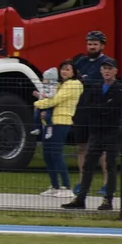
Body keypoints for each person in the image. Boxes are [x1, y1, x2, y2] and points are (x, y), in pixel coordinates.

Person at [63, 58, 122, 211]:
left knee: (110, 165)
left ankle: (108, 200)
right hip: (96, 132)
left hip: (111, 131)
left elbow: (114, 110)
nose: (107, 71)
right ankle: (81, 198)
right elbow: (89, 107)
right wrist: (102, 108)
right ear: (101, 71)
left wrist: (100, 109)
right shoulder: (96, 88)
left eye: (110, 69)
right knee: (88, 165)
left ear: (115, 71)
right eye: (105, 68)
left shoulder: (119, 89)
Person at [33, 59, 82, 198]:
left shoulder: (74, 84)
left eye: (68, 69)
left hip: (61, 122)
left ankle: (66, 187)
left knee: (56, 153)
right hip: (49, 123)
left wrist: (38, 103)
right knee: (47, 154)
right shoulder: (60, 84)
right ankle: (54, 185)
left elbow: (55, 100)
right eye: (63, 69)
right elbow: (50, 97)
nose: (64, 71)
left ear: (73, 72)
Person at [73, 30, 110, 197]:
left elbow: (99, 81)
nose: (92, 47)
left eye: (95, 44)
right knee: (81, 147)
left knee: (101, 148)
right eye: (89, 44)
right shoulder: (81, 61)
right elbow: (74, 78)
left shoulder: (107, 63)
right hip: (81, 108)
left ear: (102, 45)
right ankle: (82, 183)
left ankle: (106, 184)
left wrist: (85, 80)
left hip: (98, 110)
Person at [32, 67, 59, 137]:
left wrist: (45, 95)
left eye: (45, 79)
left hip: (49, 105)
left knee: (47, 117)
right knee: (36, 115)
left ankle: (49, 130)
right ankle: (37, 128)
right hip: (43, 104)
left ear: (50, 80)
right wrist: (37, 95)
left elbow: (52, 95)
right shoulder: (44, 86)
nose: (43, 80)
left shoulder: (53, 87)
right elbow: (41, 96)